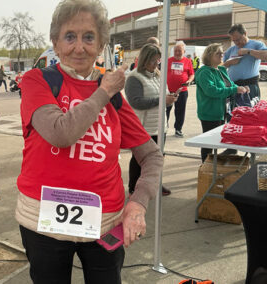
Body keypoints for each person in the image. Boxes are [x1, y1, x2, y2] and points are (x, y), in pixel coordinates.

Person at [15, 0, 164, 283]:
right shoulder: (38, 81)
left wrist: (138, 203)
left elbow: (152, 156)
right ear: (56, 43)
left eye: (89, 37)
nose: (79, 47)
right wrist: (102, 92)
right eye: (70, 36)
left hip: (104, 222)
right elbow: (61, 132)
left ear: (101, 45)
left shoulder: (113, 95)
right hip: (44, 222)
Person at [125, 43, 178, 196]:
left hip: (160, 125)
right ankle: (133, 187)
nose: (156, 64)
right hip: (143, 126)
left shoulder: (158, 75)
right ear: (144, 60)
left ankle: (155, 184)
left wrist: (170, 97)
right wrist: (162, 100)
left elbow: (164, 94)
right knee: (139, 159)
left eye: (158, 61)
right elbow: (136, 102)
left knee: (158, 158)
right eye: (153, 61)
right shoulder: (134, 78)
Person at [195, 43, 248, 162]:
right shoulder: (204, 72)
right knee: (208, 143)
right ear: (209, 56)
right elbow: (212, 91)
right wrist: (234, 89)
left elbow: (230, 84)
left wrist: (241, 87)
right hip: (209, 112)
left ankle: (212, 165)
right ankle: (205, 166)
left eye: (222, 53)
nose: (221, 55)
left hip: (223, 110)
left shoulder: (221, 69)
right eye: (218, 53)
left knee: (216, 140)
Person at [223, 24, 267, 105]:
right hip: (233, 87)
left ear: (245, 33)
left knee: (249, 114)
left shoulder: (257, 44)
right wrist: (228, 63)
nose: (237, 43)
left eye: (238, 39)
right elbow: (220, 67)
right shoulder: (231, 50)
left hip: (250, 86)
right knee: (233, 114)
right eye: (234, 40)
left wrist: (248, 51)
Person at [166, 41, 195, 138]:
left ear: (184, 51)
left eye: (179, 51)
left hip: (182, 91)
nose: (177, 53)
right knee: (166, 110)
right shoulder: (168, 60)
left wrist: (189, 81)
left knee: (180, 111)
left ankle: (178, 129)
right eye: (175, 51)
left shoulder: (188, 61)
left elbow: (192, 74)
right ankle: (164, 128)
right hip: (168, 91)